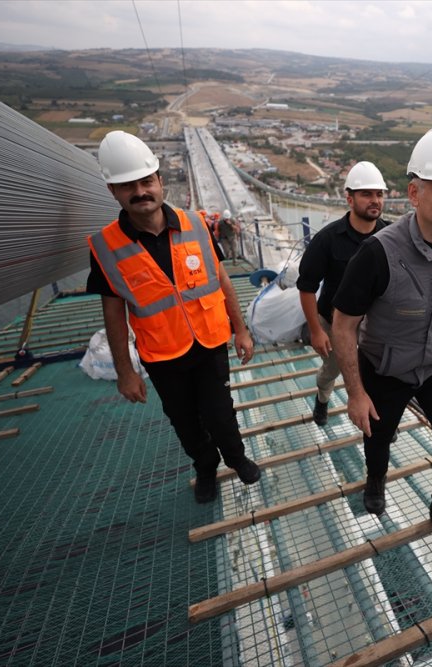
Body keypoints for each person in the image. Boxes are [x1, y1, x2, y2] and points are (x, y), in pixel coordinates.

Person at [86, 130, 260, 504]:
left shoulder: (195, 224)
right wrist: (125, 372)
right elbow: (113, 311)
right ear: (113, 192)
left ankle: (236, 457)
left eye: (147, 181)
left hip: (210, 342)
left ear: (161, 181)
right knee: (185, 423)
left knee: (220, 415)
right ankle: (206, 468)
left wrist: (241, 330)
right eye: (127, 185)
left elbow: (221, 280)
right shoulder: (106, 247)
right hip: (163, 354)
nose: (140, 191)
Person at [331, 127, 432, 549]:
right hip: (385, 366)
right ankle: (375, 479)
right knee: (379, 436)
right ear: (415, 195)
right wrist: (356, 393)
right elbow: (343, 325)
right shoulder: (377, 254)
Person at [296, 161, 389, 426]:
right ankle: (322, 398)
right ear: (349, 198)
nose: (375, 200)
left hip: (374, 323)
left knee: (375, 373)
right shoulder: (327, 239)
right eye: (366, 194)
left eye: (379, 194)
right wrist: (316, 330)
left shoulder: (390, 235)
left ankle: (380, 419)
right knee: (331, 370)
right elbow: (306, 286)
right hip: (333, 321)